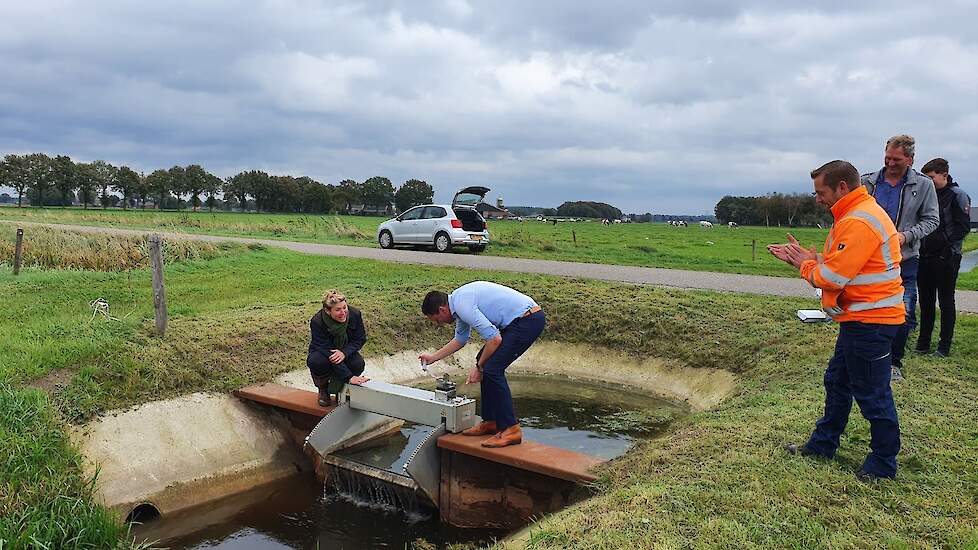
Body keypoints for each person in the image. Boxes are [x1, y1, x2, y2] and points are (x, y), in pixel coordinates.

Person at [769, 160, 905, 481]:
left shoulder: (859, 221)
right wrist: (811, 258)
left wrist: (806, 266)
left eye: (821, 192)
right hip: (858, 319)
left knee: (872, 393)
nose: (817, 199)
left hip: (872, 322)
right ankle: (823, 444)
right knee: (838, 381)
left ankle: (883, 463)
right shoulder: (852, 215)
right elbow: (843, 264)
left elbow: (833, 277)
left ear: (842, 187)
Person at [419, 281, 545, 448]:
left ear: (442, 310)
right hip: (518, 321)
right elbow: (460, 340)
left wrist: (478, 367)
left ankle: (511, 429)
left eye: (436, 319)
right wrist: (433, 357)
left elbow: (495, 339)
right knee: (485, 361)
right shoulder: (458, 302)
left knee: (492, 369)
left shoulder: (462, 305)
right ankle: (491, 421)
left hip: (528, 320)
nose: (439, 323)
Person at [861, 135, 939, 381]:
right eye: (887, 158)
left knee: (902, 311)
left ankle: (894, 362)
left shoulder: (924, 185)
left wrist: (906, 236)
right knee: (866, 309)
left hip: (904, 259)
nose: (891, 163)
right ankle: (866, 356)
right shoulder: (867, 183)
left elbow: (932, 220)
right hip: (868, 259)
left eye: (897, 159)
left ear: (910, 159)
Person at [915, 158, 971, 357]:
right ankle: (923, 344)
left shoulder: (958, 195)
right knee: (926, 301)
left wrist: (945, 248)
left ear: (944, 175)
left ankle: (944, 347)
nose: (928, 182)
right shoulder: (925, 196)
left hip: (947, 258)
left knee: (946, 302)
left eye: (931, 177)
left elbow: (963, 227)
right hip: (925, 256)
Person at [307, 289, 370, 407]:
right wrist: (349, 376)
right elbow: (325, 349)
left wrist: (344, 352)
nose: (343, 313)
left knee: (358, 363)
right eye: (338, 310)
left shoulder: (355, 314)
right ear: (327, 311)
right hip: (325, 352)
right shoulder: (317, 321)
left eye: (344, 307)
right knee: (316, 362)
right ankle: (323, 390)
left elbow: (360, 339)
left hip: (345, 349)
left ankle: (343, 390)